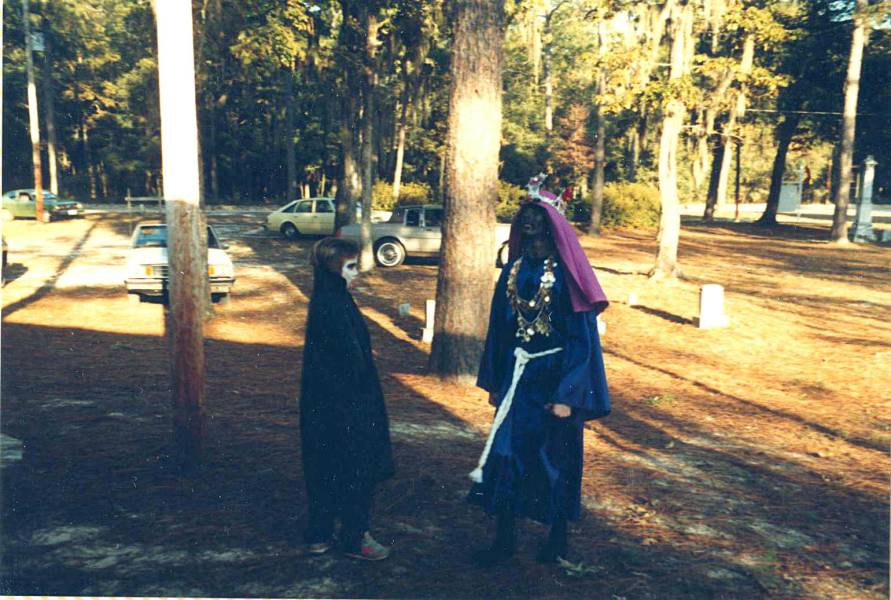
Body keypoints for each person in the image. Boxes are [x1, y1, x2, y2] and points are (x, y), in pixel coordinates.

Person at [468, 180, 610, 567]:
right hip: (518, 379)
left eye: (537, 214)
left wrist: (568, 396)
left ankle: (557, 539)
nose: (528, 220)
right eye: (524, 214)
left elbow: (581, 339)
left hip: (554, 379)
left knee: (555, 458)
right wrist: (496, 381)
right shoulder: (512, 270)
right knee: (506, 454)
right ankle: (504, 539)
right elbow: (500, 330)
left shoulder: (565, 275)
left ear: (552, 224)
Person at [299, 237, 394, 561]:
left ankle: (320, 532)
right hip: (347, 404)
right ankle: (354, 536)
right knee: (355, 465)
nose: (356, 273)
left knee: (325, 465)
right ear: (333, 268)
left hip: (323, 404)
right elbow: (351, 360)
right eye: (350, 267)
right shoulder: (334, 304)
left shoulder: (327, 298)